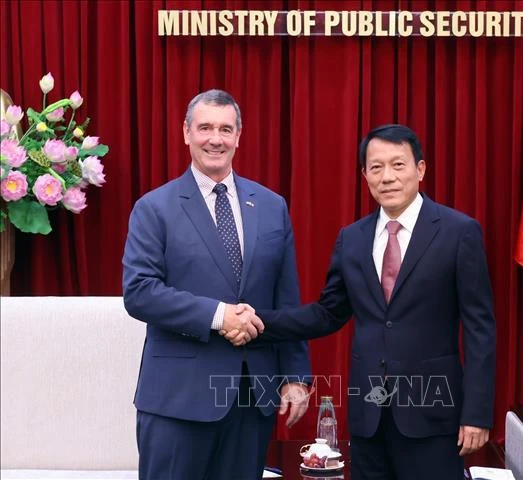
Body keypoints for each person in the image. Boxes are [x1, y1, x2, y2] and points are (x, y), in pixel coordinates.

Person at [226, 124, 496, 479]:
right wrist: (258, 322)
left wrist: (476, 413)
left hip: (433, 413)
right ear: (364, 174)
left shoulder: (459, 233)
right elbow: (327, 313)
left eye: (398, 165)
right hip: (369, 418)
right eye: (376, 167)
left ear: (421, 169)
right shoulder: (351, 239)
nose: (387, 177)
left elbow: (480, 329)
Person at [122, 89, 311, 480]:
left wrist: (295, 375)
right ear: (186, 133)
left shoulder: (272, 205)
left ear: (239, 137)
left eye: (226, 129)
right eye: (205, 127)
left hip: (251, 396)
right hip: (178, 399)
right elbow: (139, 291)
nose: (216, 138)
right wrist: (218, 315)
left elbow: (286, 298)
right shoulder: (154, 208)